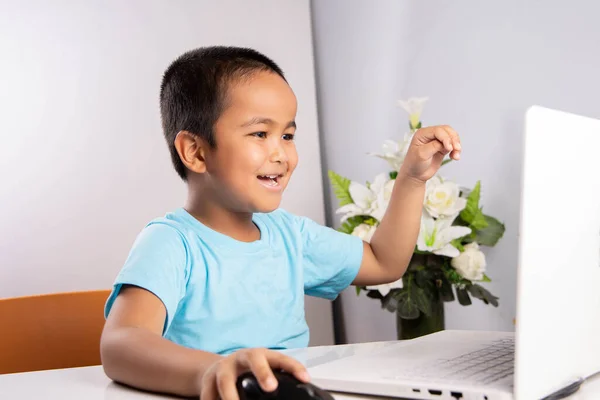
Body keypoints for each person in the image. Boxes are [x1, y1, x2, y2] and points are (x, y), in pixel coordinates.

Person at [100, 45, 462, 400]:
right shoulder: (172, 243)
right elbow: (120, 342)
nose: (281, 154)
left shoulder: (290, 235)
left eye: (287, 136)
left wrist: (413, 179)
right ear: (196, 152)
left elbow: (385, 262)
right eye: (260, 134)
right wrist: (210, 371)